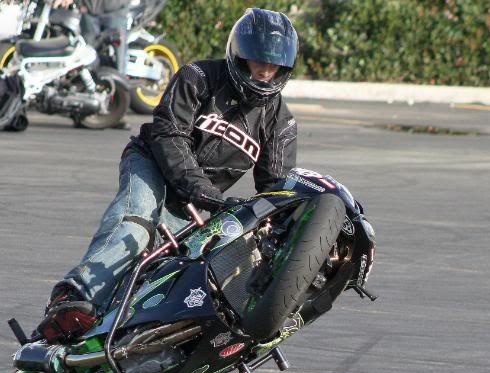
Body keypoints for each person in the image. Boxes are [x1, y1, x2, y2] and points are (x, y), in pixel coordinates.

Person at [36, 8, 300, 340]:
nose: (265, 70)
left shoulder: (281, 122)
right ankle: (74, 297)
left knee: (160, 268)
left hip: (198, 200)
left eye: (275, 62)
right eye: (258, 59)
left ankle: (105, 330)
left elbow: (275, 191)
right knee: (136, 225)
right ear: (239, 54)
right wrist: (202, 190)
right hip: (152, 164)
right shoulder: (199, 77)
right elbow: (168, 134)